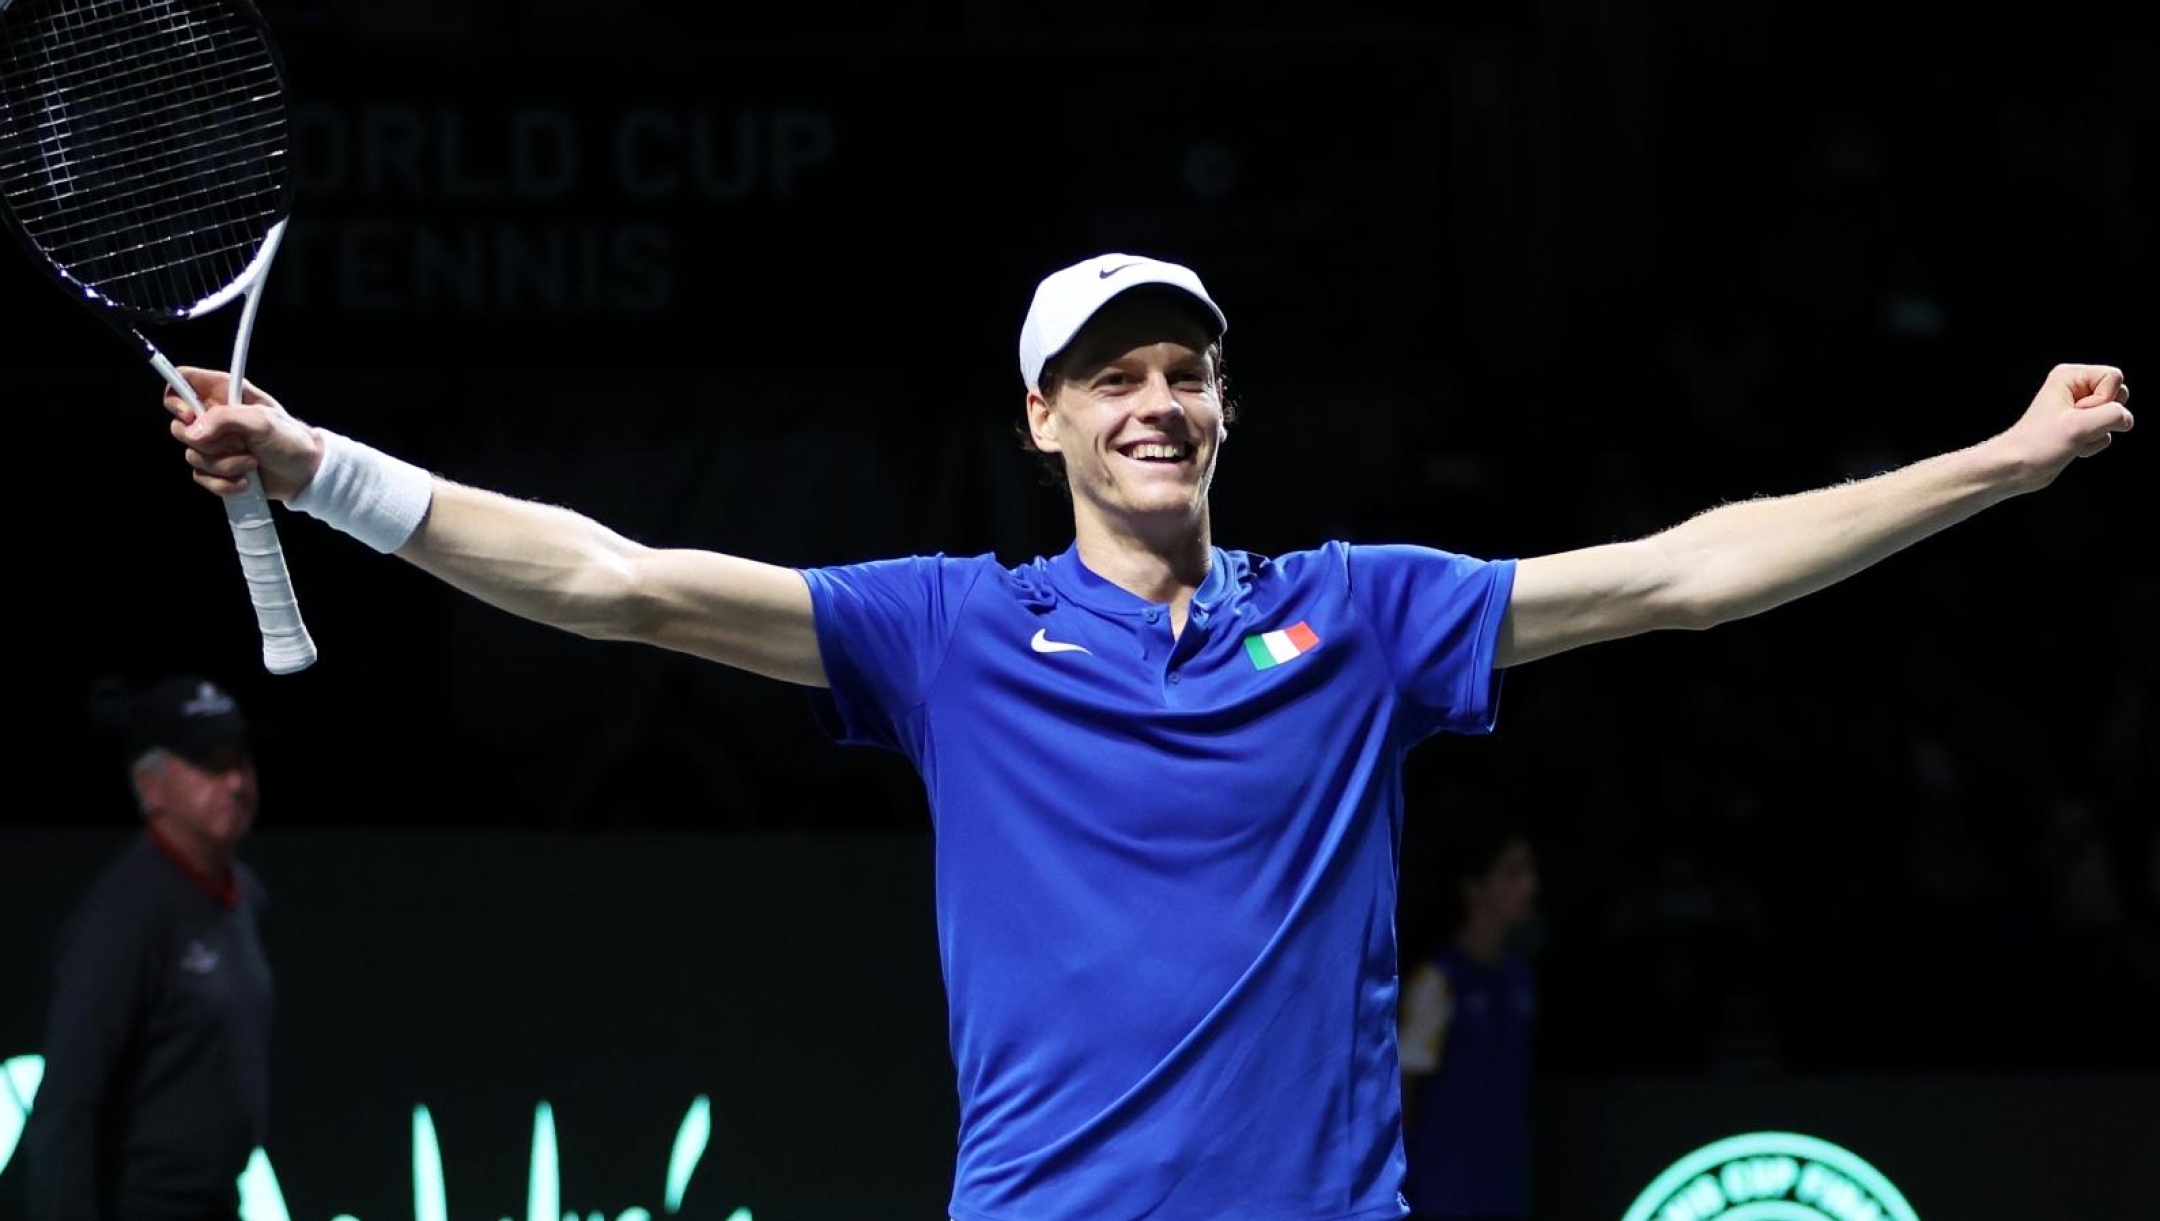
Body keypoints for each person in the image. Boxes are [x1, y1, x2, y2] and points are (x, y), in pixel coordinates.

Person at [163, 253, 2131, 1221]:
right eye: (1113, 376)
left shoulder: (1362, 612)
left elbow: (1692, 574)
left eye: (1187, 370)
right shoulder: (945, 631)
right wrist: (316, 465)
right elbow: (614, 582)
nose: (1159, 401)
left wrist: (2005, 463)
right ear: (1044, 420)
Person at [23, 678, 274, 1221]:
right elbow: (67, 1104)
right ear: (150, 784)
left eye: (240, 760)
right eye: (209, 764)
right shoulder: (123, 916)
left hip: (217, 1202)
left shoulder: (245, 896)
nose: (234, 781)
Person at [1399, 823, 1539, 1221]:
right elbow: (1405, 1093)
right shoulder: (1438, 982)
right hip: (1444, 1193)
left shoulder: (1519, 979)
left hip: (1506, 1185)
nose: (1530, 884)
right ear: (1474, 888)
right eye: (1513, 872)